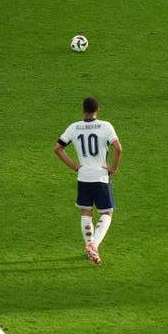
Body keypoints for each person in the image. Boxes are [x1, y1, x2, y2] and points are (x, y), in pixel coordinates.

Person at [54, 97, 122, 266]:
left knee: (86, 211)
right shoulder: (106, 126)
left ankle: (89, 246)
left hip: (83, 176)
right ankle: (93, 245)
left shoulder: (74, 127)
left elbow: (58, 148)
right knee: (107, 212)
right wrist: (113, 168)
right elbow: (118, 148)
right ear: (98, 109)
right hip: (100, 177)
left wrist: (74, 166)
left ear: (82, 110)